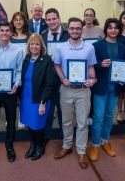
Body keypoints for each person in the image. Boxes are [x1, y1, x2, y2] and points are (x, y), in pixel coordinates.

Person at [53, 17, 97, 169]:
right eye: (72, 28)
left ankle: (81, 151)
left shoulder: (89, 48)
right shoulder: (60, 48)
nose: (75, 31)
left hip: (83, 91)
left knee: (82, 123)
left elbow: (91, 68)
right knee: (66, 121)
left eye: (78, 28)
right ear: (68, 29)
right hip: (66, 90)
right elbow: (57, 65)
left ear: (81, 29)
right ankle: (66, 146)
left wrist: (94, 79)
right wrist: (62, 78)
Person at [89, 18, 125, 162]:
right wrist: (100, 64)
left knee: (109, 116)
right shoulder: (96, 46)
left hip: (115, 87)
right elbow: (90, 65)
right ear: (106, 29)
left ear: (119, 30)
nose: (113, 30)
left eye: (116, 28)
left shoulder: (123, 48)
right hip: (100, 87)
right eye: (110, 27)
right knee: (98, 117)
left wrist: (124, 78)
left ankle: (105, 141)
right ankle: (95, 144)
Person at [0, 22, 24, 164]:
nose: (5, 33)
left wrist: (16, 84)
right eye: (2, 30)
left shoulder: (18, 50)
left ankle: (9, 146)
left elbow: (19, 70)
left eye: (8, 30)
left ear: (11, 33)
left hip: (10, 90)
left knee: (11, 119)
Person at [19, 34, 55, 161]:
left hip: (39, 99)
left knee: (38, 125)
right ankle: (32, 145)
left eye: (37, 44)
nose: (34, 46)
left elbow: (49, 84)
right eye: (32, 44)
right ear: (29, 46)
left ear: (41, 46)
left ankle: (39, 147)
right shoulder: (27, 59)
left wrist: (43, 102)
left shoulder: (46, 60)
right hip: (26, 99)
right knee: (30, 124)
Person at [40, 8, 69, 146]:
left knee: (63, 109)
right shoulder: (42, 36)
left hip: (64, 77)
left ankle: (65, 138)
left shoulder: (68, 35)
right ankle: (46, 136)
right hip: (48, 78)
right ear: (46, 21)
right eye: (49, 19)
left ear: (59, 19)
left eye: (54, 19)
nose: (52, 22)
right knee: (48, 108)